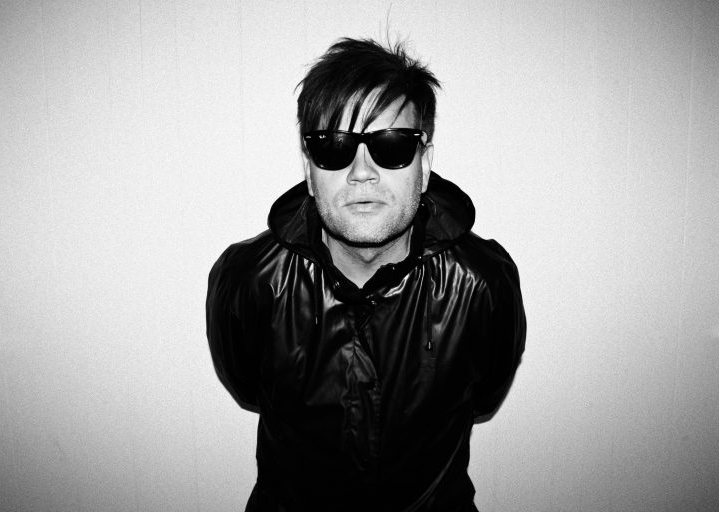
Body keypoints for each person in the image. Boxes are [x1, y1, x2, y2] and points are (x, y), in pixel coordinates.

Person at [206, 37, 526, 512]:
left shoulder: (481, 283)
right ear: (309, 169)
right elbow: (247, 387)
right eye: (334, 147)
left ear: (425, 164)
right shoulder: (250, 280)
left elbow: (485, 398)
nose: (362, 172)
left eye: (391, 145)